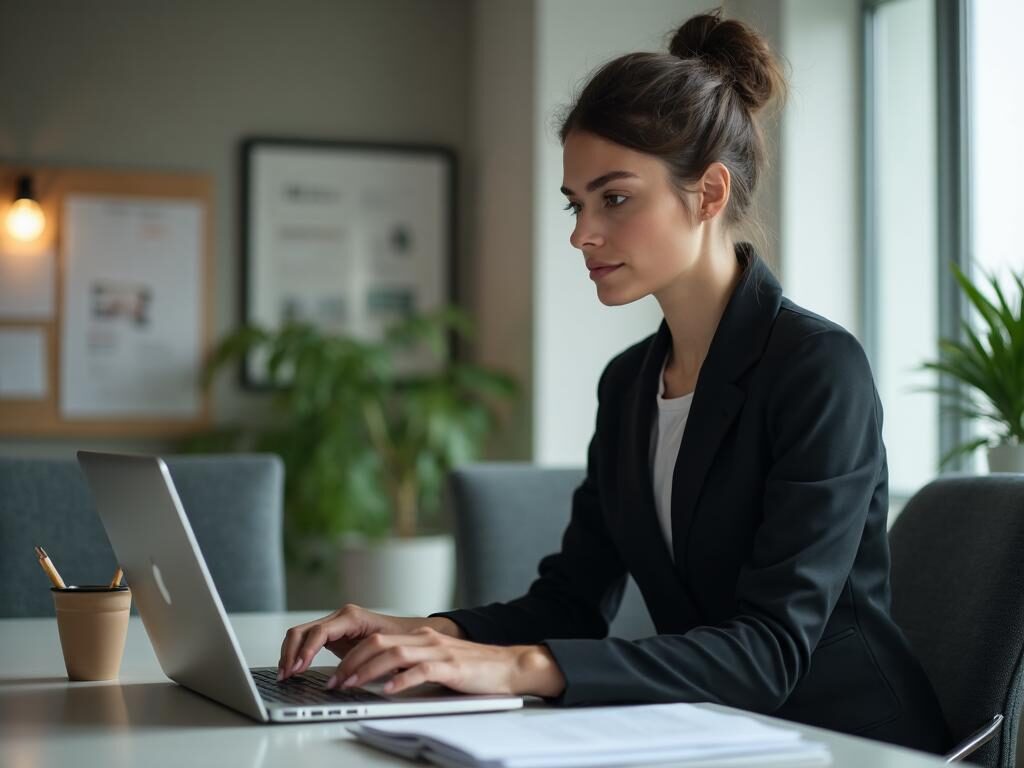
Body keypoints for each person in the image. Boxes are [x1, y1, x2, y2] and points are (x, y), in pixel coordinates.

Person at [276, 9, 951, 754]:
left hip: (850, 744)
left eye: (615, 198)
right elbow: (571, 600)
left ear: (710, 194)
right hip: (717, 734)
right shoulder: (629, 384)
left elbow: (770, 652)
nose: (581, 233)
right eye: (577, 203)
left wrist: (516, 668)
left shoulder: (818, 369)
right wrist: (422, 632)